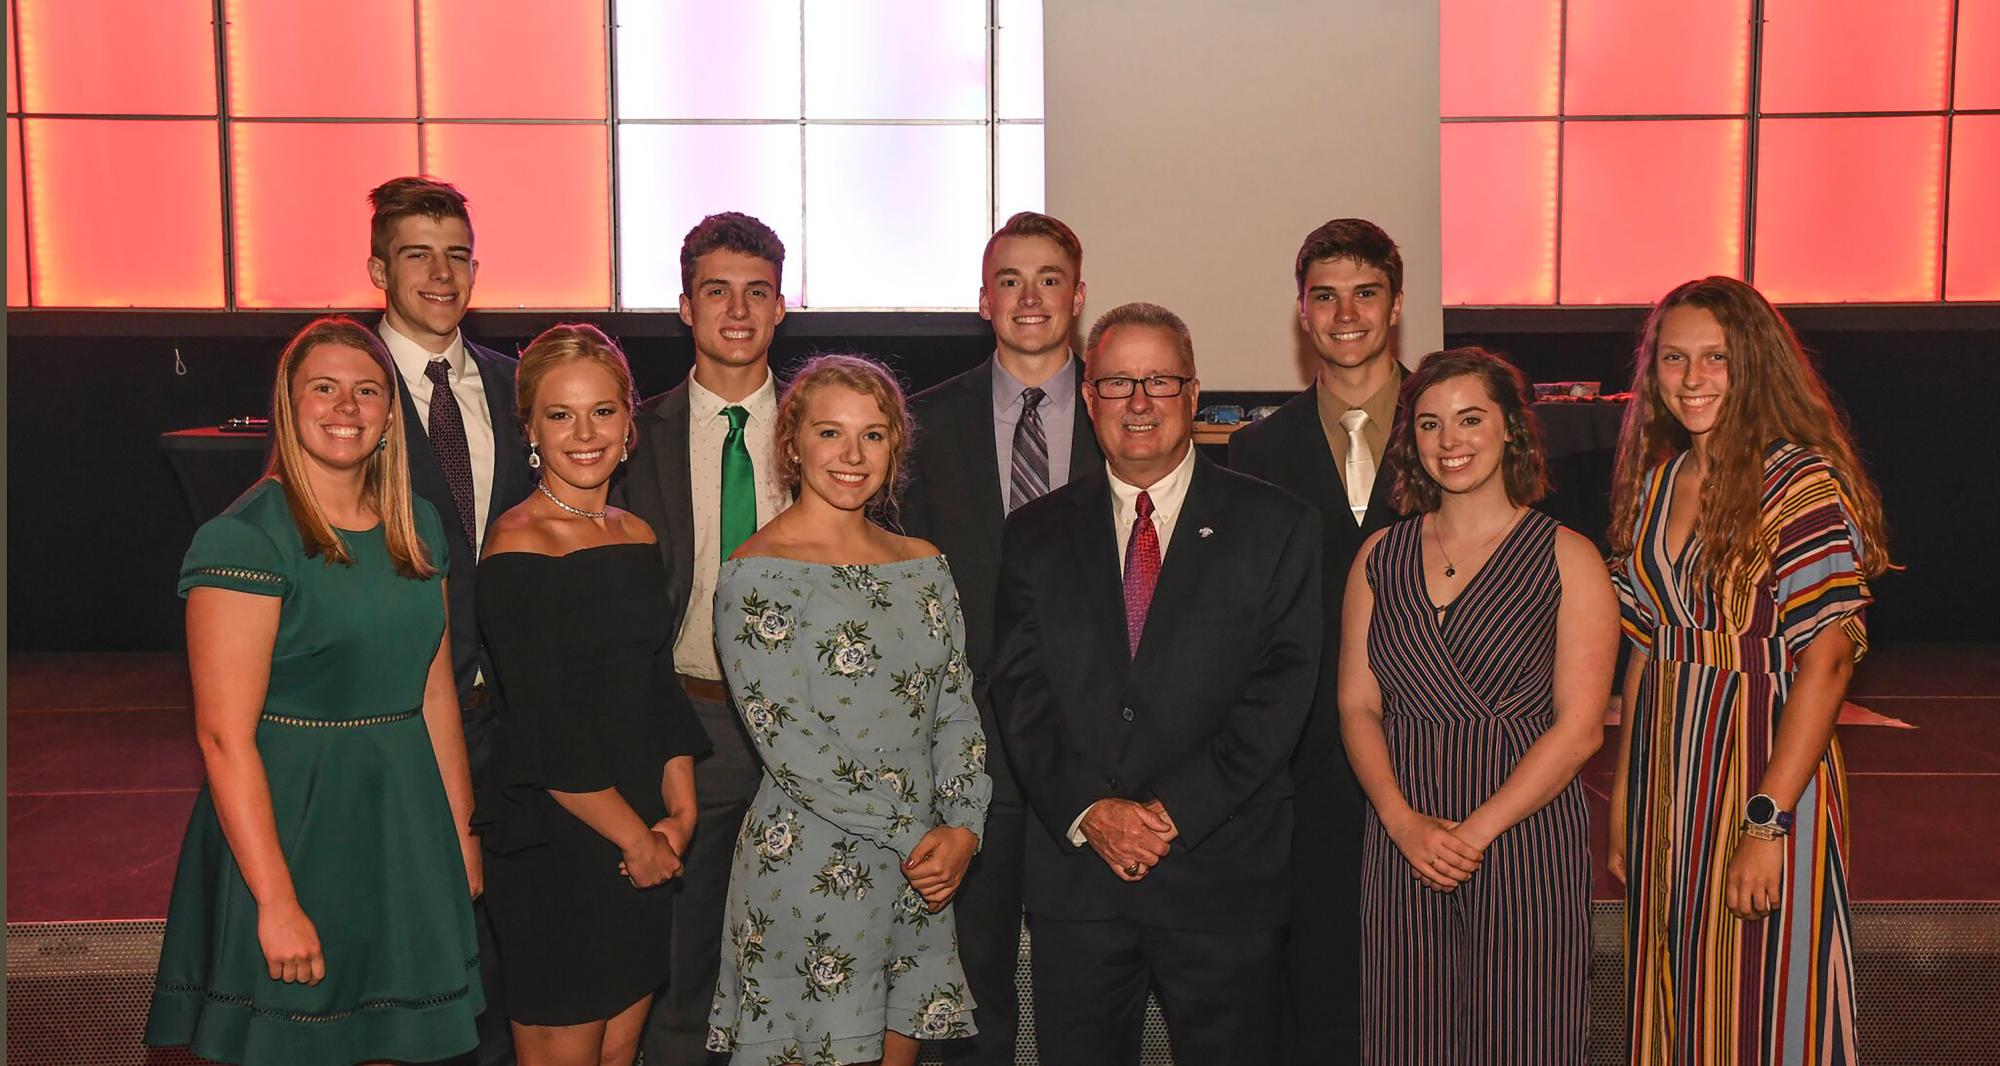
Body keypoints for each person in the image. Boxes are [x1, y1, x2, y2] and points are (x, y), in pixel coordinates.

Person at [145, 317, 484, 1064]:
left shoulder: (419, 526)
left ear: (391, 414)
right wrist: (275, 901)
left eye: (368, 391)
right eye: (323, 388)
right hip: (294, 828)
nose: (347, 406)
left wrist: (460, 834)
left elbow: (435, 697)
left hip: (401, 822)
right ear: (286, 406)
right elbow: (222, 738)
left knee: (399, 1042)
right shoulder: (246, 538)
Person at [992, 302, 1321, 1066]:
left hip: (1222, 880)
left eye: (1160, 381)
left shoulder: (1278, 526)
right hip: (1080, 884)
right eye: (1115, 384)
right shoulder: (1034, 533)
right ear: (1090, 398)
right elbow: (1019, 691)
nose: (1139, 403)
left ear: (1194, 393)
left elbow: (1282, 693)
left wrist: (1173, 814)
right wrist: (1092, 810)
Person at [1607, 277, 1890, 1065]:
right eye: (1674, 359)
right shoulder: (1658, 484)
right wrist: (1628, 795)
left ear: (1754, 366)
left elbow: (1829, 660)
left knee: (1759, 1006)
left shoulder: (1795, 482)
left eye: (1716, 360)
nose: (1692, 379)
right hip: (1669, 782)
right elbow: (1646, 648)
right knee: (1675, 996)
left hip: (1759, 778)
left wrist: (1768, 822)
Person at [704, 354, 993, 1066]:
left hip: (923, 870)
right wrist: (920, 834)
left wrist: (965, 828)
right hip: (812, 864)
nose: (852, 455)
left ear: (896, 445)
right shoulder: (755, 572)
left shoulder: (923, 561)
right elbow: (791, 747)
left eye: (873, 434)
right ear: (792, 443)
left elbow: (957, 706)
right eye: (831, 433)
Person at [1339, 348, 1617, 1063]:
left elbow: (1581, 729)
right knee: (1408, 1042)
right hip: (1404, 840)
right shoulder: (1378, 558)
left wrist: (1474, 833)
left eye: (1470, 419)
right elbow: (1357, 707)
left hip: (1523, 839)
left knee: (1526, 1038)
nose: (1450, 441)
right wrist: (1403, 824)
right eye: (1430, 424)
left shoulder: (1569, 556)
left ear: (1511, 433)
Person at [472, 324, 710, 1066]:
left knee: (619, 1053)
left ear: (629, 423)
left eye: (603, 412)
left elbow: (655, 682)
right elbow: (547, 729)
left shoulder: (634, 532)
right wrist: (636, 837)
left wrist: (681, 810)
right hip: (560, 834)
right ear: (530, 429)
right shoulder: (517, 546)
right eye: (561, 414)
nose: (585, 433)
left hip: (643, 821)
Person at [901, 210, 1100, 1065]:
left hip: (1093, 747)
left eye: (1048, 279)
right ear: (983, 298)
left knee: (1084, 982)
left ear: (1078, 297)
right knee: (971, 986)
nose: (1029, 297)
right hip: (960, 746)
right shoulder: (915, 423)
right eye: (1010, 280)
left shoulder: (1125, 413)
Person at [611, 212, 794, 1065]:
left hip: (812, 732)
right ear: (684, 307)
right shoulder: (629, 437)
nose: (737, 310)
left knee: (800, 955)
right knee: (684, 967)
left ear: (782, 306)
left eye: (756, 291)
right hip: (691, 723)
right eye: (716, 291)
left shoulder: (827, 431)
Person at [1226, 218, 1405, 1061]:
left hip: (1439, 754)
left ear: (1394, 306)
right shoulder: (1256, 452)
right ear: (1301, 313)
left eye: (1364, 293)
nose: (1345, 314)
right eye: (1325, 296)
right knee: (1318, 989)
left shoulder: (1458, 432)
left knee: (1425, 990)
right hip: (1300, 771)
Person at [368, 175, 533, 1064]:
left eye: (457, 255)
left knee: (503, 952)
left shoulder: (517, 388)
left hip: (505, 717)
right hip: (393, 720)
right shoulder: (344, 388)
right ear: (378, 269)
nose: (441, 273)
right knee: (405, 951)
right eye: (418, 255)